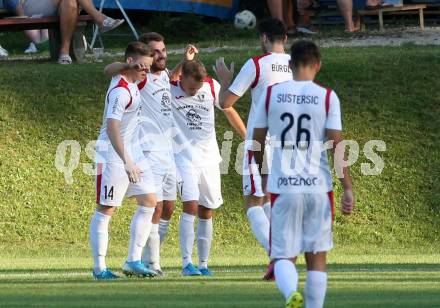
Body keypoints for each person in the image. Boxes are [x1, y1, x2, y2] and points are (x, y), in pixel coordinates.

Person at [252, 40, 355, 308]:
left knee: (283, 256)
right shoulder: (328, 97)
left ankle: (290, 295)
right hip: (318, 187)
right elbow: (337, 145)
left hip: (284, 186)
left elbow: (257, 141)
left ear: (289, 65)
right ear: (318, 64)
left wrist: (263, 171)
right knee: (317, 258)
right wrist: (347, 187)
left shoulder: (271, 94)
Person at [104, 32, 198, 276]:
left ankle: (147, 259)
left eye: (163, 50)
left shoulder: (165, 74)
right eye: (156, 51)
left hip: (167, 152)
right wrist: (127, 64)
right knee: (153, 206)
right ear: (144, 58)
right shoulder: (141, 79)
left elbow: (174, 75)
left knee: (167, 208)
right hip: (147, 149)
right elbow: (111, 70)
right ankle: (149, 262)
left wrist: (184, 61)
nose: (161, 54)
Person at [213, 17, 292, 280]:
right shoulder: (296, 64)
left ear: (262, 38)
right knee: (270, 200)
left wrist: (225, 79)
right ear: (286, 39)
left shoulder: (257, 64)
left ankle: (279, 256)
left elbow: (225, 102)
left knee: (253, 203)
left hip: (261, 141)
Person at [89, 41, 157, 280]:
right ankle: (99, 268)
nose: (146, 71)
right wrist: (127, 160)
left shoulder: (132, 81)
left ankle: (133, 261)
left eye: (148, 67)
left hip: (132, 151)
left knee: (149, 200)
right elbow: (112, 128)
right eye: (143, 67)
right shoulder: (120, 90)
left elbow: (111, 68)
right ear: (130, 63)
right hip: (112, 155)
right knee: (106, 209)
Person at [171, 60, 246, 276]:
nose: (194, 92)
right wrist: (183, 60)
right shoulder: (169, 87)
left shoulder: (210, 86)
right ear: (182, 77)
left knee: (207, 209)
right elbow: (166, 78)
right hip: (183, 158)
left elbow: (227, 108)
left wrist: (247, 137)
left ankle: (203, 264)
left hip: (209, 158)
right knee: (190, 205)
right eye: (191, 87)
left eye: (197, 87)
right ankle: (187, 263)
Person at [20, 0, 123, 64]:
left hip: (58, 5)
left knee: (70, 3)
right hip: (31, 5)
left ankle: (64, 53)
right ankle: (99, 18)